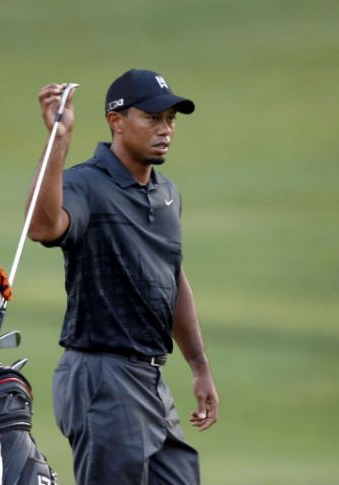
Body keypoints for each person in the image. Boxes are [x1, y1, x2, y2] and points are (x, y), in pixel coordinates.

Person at [27, 69, 220, 485]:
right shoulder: (85, 184)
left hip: (150, 378)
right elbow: (43, 228)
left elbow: (171, 276)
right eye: (152, 118)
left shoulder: (167, 194)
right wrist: (57, 141)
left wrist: (199, 365)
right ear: (116, 121)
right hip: (102, 375)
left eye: (170, 119)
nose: (165, 129)